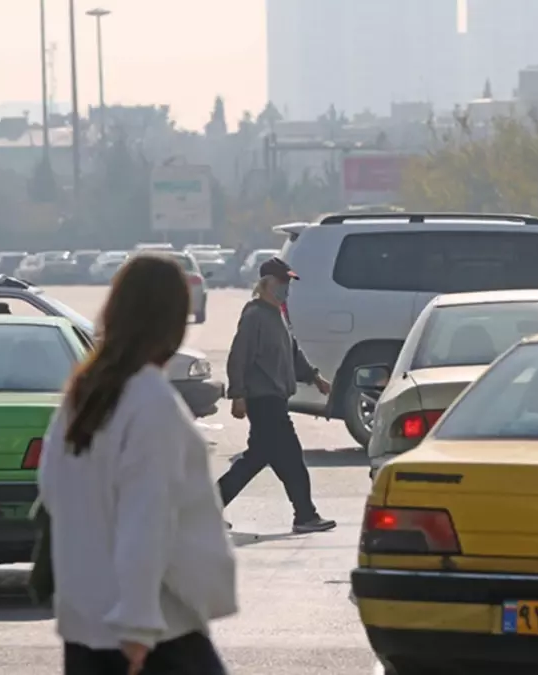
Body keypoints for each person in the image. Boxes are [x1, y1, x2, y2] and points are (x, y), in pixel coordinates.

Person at [39, 255, 236, 675]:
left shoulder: (81, 395)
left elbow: (53, 491)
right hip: (152, 629)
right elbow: (148, 516)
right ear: (171, 322)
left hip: (86, 618)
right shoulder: (151, 402)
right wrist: (137, 623)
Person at [217, 257, 337, 534]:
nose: (287, 288)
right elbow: (239, 357)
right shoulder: (254, 316)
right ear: (267, 283)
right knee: (290, 459)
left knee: (257, 459)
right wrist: (238, 395)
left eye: (288, 283)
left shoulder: (278, 314)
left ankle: (206, 511)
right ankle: (306, 515)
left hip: (276, 398)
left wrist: (315, 377)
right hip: (263, 400)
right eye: (283, 282)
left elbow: (292, 353)